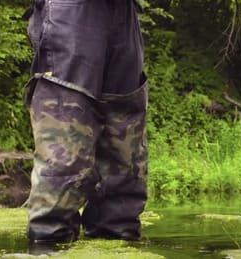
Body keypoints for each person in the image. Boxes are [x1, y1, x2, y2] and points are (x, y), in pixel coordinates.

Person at [21, 0, 148, 244]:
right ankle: (48, 247)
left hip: (124, 16)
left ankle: (118, 244)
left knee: (125, 170)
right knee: (64, 165)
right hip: (71, 14)